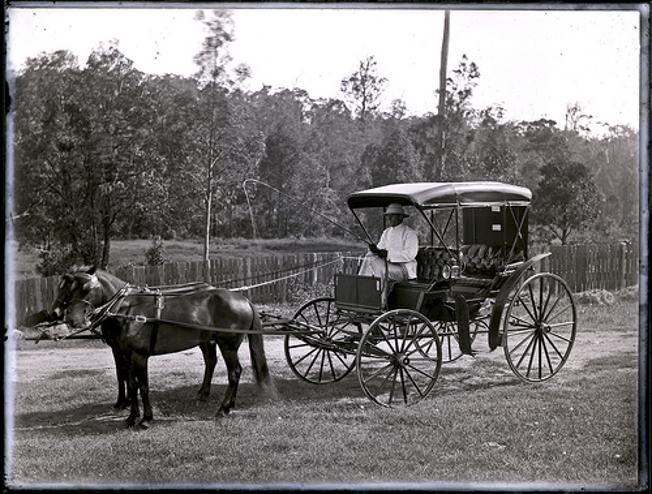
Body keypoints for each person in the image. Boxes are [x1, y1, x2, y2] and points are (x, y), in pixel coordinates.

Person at [358, 203, 419, 308]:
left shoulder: (410, 233)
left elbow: (410, 254)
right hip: (388, 265)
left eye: (392, 215)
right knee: (369, 258)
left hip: (404, 269)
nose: (389, 218)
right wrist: (375, 250)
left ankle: (379, 303)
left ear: (400, 217)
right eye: (388, 216)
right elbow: (380, 248)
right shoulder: (387, 232)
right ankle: (360, 295)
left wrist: (387, 254)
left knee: (380, 269)